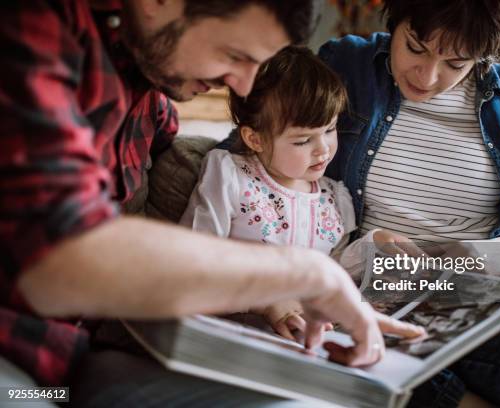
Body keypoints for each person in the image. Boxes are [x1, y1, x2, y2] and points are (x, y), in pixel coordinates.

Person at [0, 1, 411, 406]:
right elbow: (57, 259)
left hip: (74, 366)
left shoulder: (148, 92)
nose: (244, 87)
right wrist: (304, 274)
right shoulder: (33, 28)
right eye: (234, 55)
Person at [317, 0, 500, 406]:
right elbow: (258, 153)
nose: (428, 75)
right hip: (383, 277)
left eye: (456, 63)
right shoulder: (347, 63)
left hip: (484, 280)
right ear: (397, 20)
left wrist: (492, 253)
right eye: (416, 47)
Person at [180, 45, 425, 341]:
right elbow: (193, 263)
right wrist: (264, 300)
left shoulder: (336, 197)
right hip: (232, 333)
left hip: (306, 340)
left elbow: (334, 270)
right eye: (303, 140)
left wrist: (375, 247)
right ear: (255, 138)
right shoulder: (231, 176)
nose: (323, 149)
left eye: (330, 129)